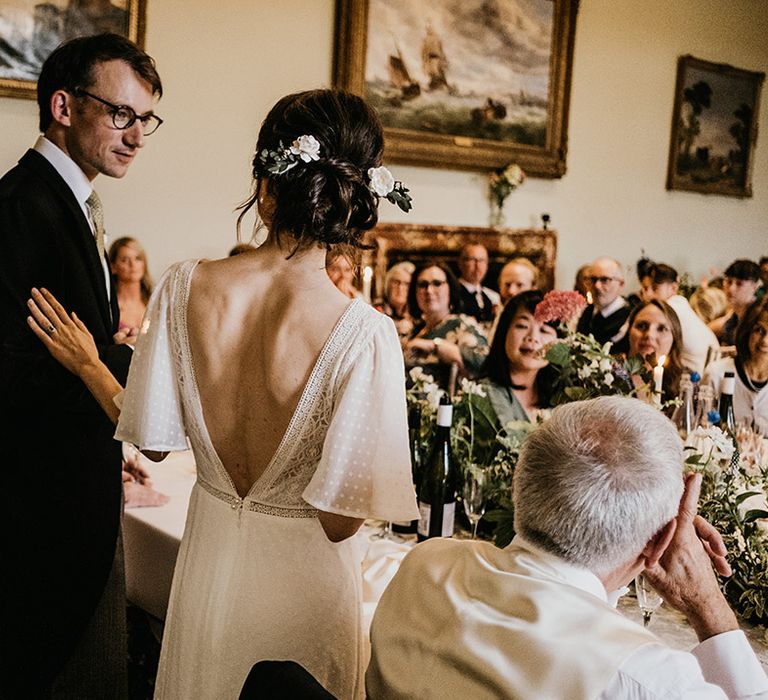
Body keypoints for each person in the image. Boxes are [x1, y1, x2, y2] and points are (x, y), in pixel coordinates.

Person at [27, 89, 419, 699]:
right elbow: (342, 521)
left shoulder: (185, 287)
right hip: (302, 598)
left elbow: (152, 445)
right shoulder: (364, 335)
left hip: (207, 580)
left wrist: (89, 367)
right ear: (355, 203)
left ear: (266, 187)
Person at [367, 396, 768, 699]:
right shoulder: (647, 677)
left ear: (518, 484)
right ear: (661, 541)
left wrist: (647, 544)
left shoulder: (425, 564)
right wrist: (707, 604)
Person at [0, 33, 162, 697]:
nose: (135, 136)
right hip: (38, 523)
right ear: (63, 106)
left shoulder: (71, 204)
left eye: (144, 120)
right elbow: (13, 372)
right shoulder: (20, 209)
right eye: (120, 114)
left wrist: (103, 403)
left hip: (75, 496)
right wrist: (113, 371)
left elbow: (72, 354)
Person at [404, 261, 488, 390]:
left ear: (450, 288)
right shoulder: (415, 331)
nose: (429, 290)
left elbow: (484, 363)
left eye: (437, 283)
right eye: (422, 285)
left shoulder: (462, 324)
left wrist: (435, 346)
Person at [479, 290, 557, 423]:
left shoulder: (561, 396)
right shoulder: (483, 394)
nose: (533, 337)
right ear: (504, 332)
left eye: (544, 330)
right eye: (522, 326)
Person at [639, 263, 719, 374]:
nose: (647, 294)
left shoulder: (670, 308)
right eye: (645, 288)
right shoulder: (680, 303)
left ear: (673, 288)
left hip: (696, 373)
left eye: (655, 288)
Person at [704, 296, 768, 434]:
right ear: (747, 331)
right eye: (759, 330)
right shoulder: (716, 373)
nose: (765, 341)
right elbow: (701, 429)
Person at [625, 299, 684, 405]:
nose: (649, 335)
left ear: (674, 338)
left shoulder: (683, 383)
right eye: (642, 326)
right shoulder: (607, 373)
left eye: (661, 329)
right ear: (629, 331)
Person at [576, 256, 631, 345]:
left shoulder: (629, 319)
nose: (597, 286)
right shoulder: (588, 311)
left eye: (605, 280)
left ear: (621, 284)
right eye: (593, 279)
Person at [108, 235, 153, 340]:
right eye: (125, 260)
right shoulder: (109, 307)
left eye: (138, 258)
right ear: (113, 267)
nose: (132, 264)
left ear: (144, 264)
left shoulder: (155, 304)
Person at [710, 259, 762, 345]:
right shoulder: (733, 315)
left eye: (739, 284)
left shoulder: (760, 315)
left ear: (754, 287)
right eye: (729, 282)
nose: (731, 289)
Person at [456, 242, 500, 324]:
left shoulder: (493, 297)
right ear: (461, 263)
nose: (477, 265)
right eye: (472, 260)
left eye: (482, 260)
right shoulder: (451, 293)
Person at [374, 261, 414, 339]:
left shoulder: (417, 313)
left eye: (407, 284)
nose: (400, 288)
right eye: (396, 282)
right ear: (388, 284)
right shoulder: (376, 310)